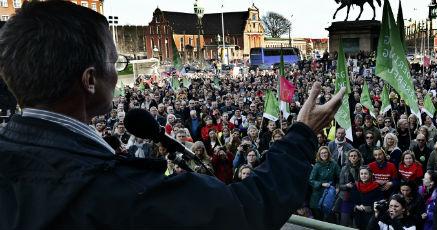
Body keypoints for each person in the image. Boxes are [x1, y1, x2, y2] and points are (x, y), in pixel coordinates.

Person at [0, 2, 347, 228]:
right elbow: (243, 213)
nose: (118, 71)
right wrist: (302, 133)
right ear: (90, 80)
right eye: (115, 63)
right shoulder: (123, 192)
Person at [309, 146, 341, 221]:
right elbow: (311, 180)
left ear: (328, 153)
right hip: (317, 195)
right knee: (318, 219)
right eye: (322, 153)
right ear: (319, 155)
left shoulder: (334, 164)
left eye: (325, 152)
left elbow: (340, 177)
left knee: (329, 218)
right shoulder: (317, 165)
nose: (324, 154)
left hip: (329, 193)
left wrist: (338, 187)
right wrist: (321, 184)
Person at [338, 149, 363, 227]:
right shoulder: (344, 168)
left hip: (359, 199)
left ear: (359, 157)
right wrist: (346, 186)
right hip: (346, 198)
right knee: (344, 223)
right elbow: (340, 185)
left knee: (356, 224)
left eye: (355, 156)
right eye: (351, 156)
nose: (353, 157)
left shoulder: (363, 168)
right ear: (348, 158)